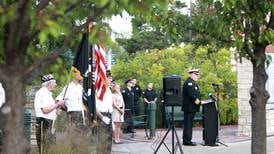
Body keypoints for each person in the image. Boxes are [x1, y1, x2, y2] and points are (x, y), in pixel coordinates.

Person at [34, 74, 64, 153]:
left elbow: (49, 110)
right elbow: (45, 110)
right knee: (45, 148)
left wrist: (56, 111)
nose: (56, 84)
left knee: (50, 148)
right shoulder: (42, 93)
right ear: (49, 84)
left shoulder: (47, 94)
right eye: (54, 83)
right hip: (44, 123)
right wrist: (57, 104)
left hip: (48, 123)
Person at [182, 69, 201, 146]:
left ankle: (187, 139)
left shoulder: (192, 83)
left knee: (189, 124)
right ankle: (187, 140)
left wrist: (199, 102)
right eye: (196, 75)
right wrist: (199, 103)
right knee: (188, 124)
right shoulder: (189, 83)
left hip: (191, 107)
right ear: (192, 74)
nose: (197, 76)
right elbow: (192, 96)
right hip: (189, 108)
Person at [95, 71, 113, 154]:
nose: (110, 79)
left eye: (110, 78)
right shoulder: (99, 91)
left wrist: (111, 119)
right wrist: (102, 117)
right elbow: (95, 107)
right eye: (109, 78)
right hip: (102, 116)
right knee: (101, 140)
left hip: (109, 115)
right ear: (103, 78)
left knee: (109, 140)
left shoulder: (109, 90)